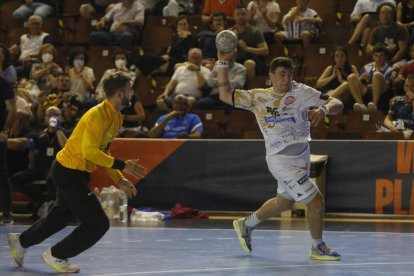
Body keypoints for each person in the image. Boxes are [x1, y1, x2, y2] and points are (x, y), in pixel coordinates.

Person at [7, 72, 147, 273]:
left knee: (61, 216)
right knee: (98, 223)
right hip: (67, 172)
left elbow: (102, 151)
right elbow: (89, 152)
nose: (132, 93)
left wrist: (120, 179)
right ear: (119, 93)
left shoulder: (116, 118)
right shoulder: (96, 115)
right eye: (129, 89)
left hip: (77, 173)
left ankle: (20, 242)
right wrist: (122, 165)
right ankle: (57, 254)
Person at [216, 51, 343, 260]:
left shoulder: (302, 92)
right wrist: (222, 63)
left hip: (301, 158)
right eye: (282, 74)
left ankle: (245, 225)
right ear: (271, 76)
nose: (287, 79)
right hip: (281, 160)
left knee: (284, 202)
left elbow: (337, 102)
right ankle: (317, 246)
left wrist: (324, 111)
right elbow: (224, 95)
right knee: (316, 201)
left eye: (290, 74)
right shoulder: (258, 97)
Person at [348, 43, 397, 112]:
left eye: (381, 56)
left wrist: (369, 85)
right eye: (376, 56)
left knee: (377, 75)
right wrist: (361, 78)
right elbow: (358, 84)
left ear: (386, 57)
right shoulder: (366, 67)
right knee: (351, 77)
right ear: (373, 57)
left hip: (383, 93)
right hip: (367, 91)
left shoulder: (391, 70)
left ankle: (374, 105)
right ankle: (361, 105)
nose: (378, 59)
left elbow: (387, 85)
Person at [229, 4, 269, 79]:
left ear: (247, 15)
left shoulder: (255, 31)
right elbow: (222, 50)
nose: (240, 16)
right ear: (233, 16)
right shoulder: (229, 32)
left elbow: (265, 51)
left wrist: (247, 48)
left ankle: (248, 90)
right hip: (233, 60)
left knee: (249, 63)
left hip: (251, 59)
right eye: (238, 14)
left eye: (243, 14)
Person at [367, 2, 409, 67]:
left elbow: (402, 50)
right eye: (382, 13)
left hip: (397, 61)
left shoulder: (401, 29)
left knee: (393, 67)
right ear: (379, 15)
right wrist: (385, 49)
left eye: (388, 13)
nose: (385, 15)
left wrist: (391, 62)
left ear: (393, 15)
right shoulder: (375, 30)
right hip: (380, 61)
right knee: (366, 68)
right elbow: (368, 48)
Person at [0, 77, 16, 224]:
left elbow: (12, 110)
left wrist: (4, 131)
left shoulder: (3, 84)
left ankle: (7, 213)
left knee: (1, 174)